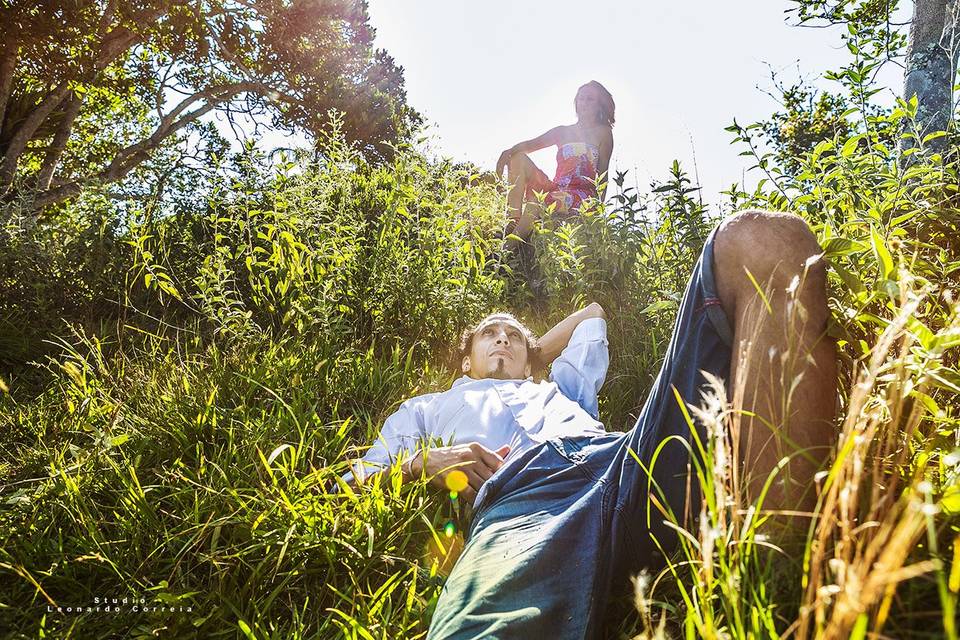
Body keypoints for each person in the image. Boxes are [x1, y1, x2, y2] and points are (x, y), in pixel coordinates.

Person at [344, 210, 837, 639]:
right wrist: (418, 464)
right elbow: (355, 482)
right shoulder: (428, 407)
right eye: (489, 335)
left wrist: (533, 354)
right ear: (466, 357)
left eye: (512, 335)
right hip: (521, 499)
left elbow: (592, 316)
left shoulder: (561, 386)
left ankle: (781, 580)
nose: (501, 340)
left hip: (622, 462)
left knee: (765, 238)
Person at [495, 81, 615, 252]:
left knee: (535, 201)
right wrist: (508, 152)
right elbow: (530, 145)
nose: (584, 103)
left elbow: (603, 175)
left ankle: (505, 251)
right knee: (518, 158)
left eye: (590, 99)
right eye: (581, 98)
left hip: (581, 195)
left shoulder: (604, 133)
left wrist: (597, 214)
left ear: (599, 106)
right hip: (557, 187)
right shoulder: (562, 131)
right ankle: (512, 223)